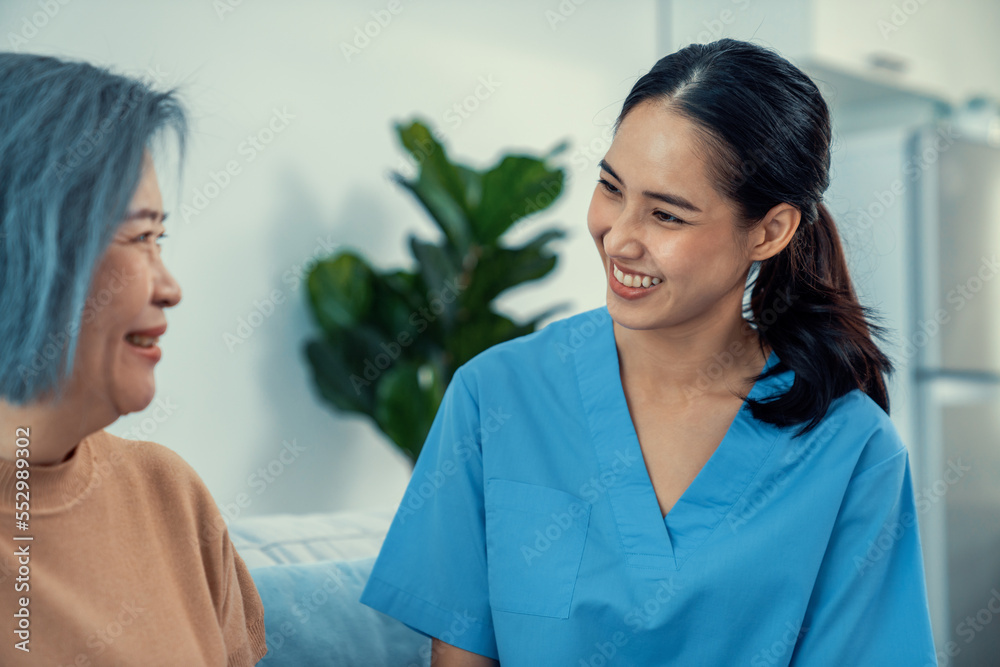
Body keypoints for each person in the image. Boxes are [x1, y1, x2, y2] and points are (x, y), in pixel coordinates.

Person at [359, 38, 938, 665]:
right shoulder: (494, 396)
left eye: (666, 216)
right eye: (612, 188)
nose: (620, 238)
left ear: (769, 231)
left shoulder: (852, 451)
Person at [0, 53, 267, 666]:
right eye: (141, 237)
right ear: (29, 247)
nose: (169, 287)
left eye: (160, 239)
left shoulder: (169, 494)